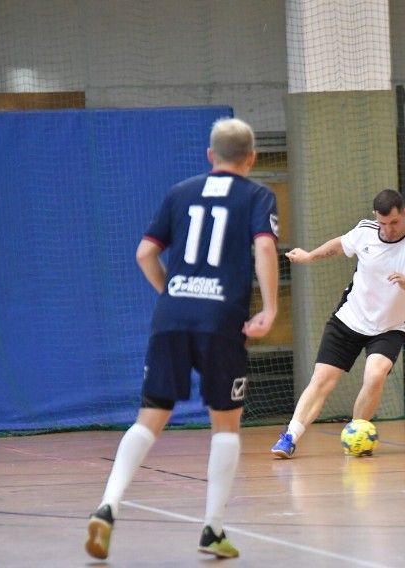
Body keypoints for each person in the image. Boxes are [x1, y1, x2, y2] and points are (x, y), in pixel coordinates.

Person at [85, 118, 279, 560]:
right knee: (225, 424)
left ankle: (107, 505)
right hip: (222, 321)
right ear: (251, 158)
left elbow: (144, 253)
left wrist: (173, 295)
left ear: (210, 156)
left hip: (171, 317)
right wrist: (269, 310)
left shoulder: (180, 191)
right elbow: (265, 247)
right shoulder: (257, 194)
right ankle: (211, 530)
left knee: (150, 416)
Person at [270, 189, 405, 458]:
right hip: (348, 320)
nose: (388, 230)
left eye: (394, 223)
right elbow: (339, 245)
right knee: (322, 381)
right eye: (383, 223)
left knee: (375, 375)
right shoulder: (365, 231)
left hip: (389, 329)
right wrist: (309, 256)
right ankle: (290, 436)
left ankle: (357, 434)